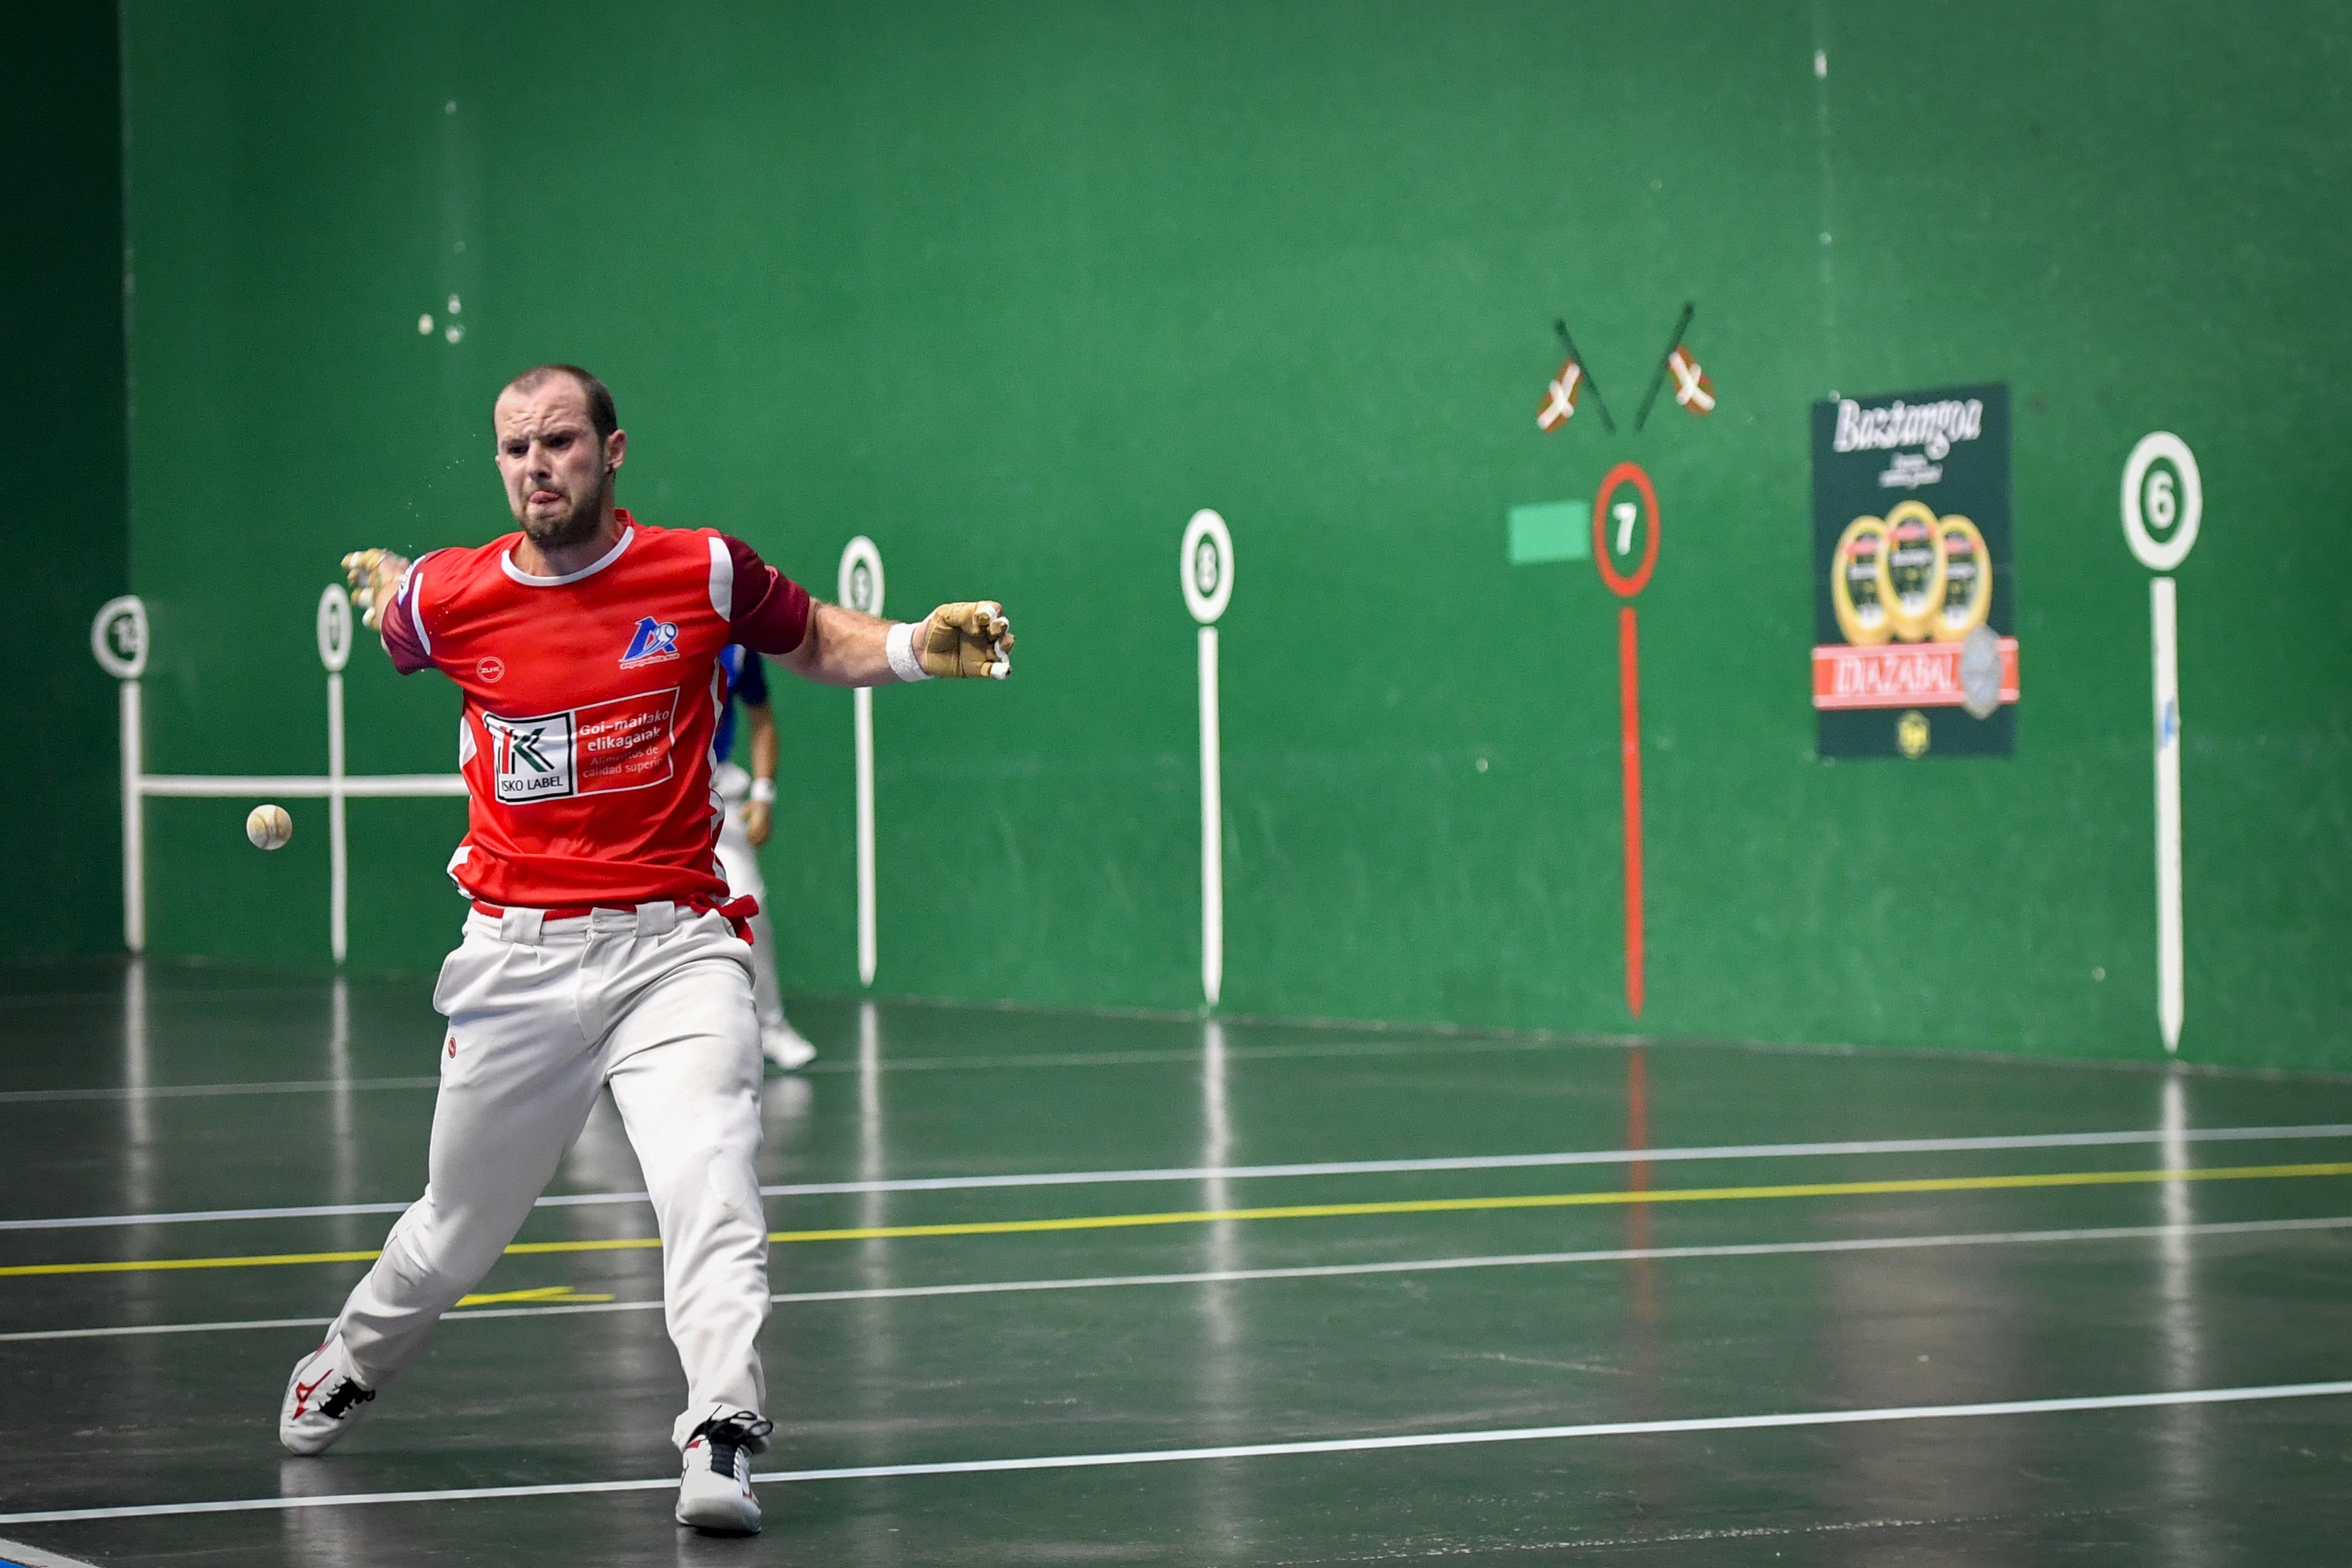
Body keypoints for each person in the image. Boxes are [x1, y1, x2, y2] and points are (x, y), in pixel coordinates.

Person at [278, 364, 1011, 1535]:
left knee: (709, 1180)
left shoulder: (701, 568)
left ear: (612, 452)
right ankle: (352, 1355)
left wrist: (920, 644)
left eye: (560, 443)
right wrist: (382, 590)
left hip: (677, 948)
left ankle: (721, 1435)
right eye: (515, 449)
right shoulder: (452, 595)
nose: (536, 467)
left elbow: (816, 634)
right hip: (513, 962)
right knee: (454, 1231)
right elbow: (398, 614)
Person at [711, 644, 818, 1070]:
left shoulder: (736, 648)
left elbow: (761, 717)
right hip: (642, 798)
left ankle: (769, 1025)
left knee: (748, 905)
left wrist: (763, 794)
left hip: (716, 794)